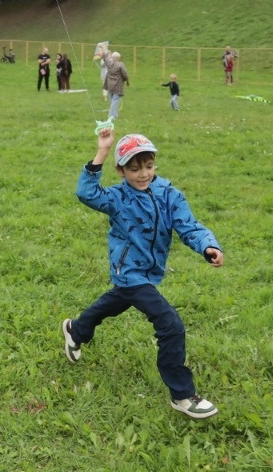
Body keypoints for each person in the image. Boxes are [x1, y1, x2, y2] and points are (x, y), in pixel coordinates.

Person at [62, 130, 224, 420]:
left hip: (146, 275)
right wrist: (101, 151)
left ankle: (76, 329)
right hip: (130, 271)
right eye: (134, 169)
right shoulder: (116, 198)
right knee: (170, 324)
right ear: (120, 170)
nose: (142, 174)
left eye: (148, 166)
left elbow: (189, 225)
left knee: (115, 301)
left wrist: (208, 246)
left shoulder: (169, 194)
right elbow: (86, 193)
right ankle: (183, 395)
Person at [104, 52, 129, 120]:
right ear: (118, 58)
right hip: (117, 85)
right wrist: (127, 80)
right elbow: (124, 74)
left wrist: (105, 53)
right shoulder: (121, 65)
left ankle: (115, 114)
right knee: (115, 101)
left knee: (113, 100)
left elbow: (105, 59)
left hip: (109, 85)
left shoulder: (109, 64)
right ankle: (111, 116)